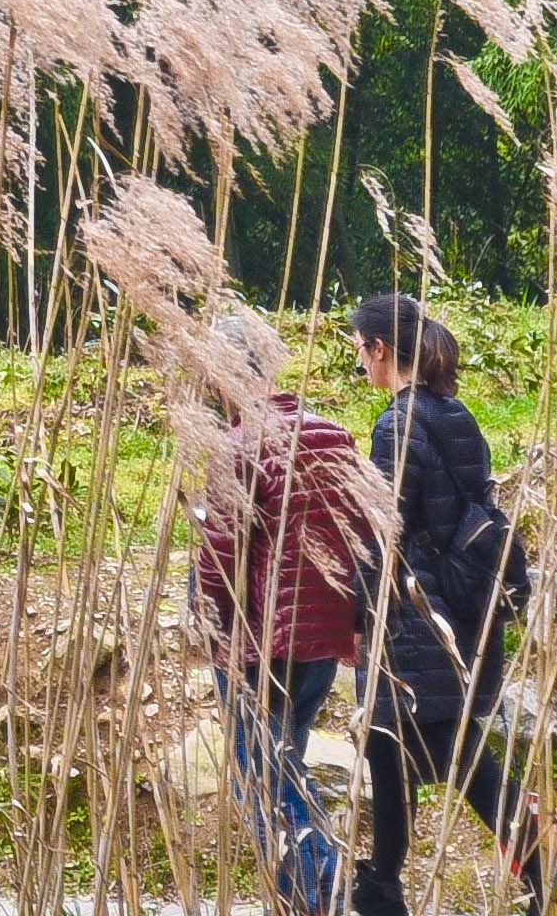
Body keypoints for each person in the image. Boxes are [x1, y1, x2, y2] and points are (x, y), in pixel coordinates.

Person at [352, 291, 557, 915]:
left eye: (361, 351)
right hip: (462, 606)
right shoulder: (455, 412)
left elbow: (385, 532)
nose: (360, 364)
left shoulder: (396, 423)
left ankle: (549, 881)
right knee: (390, 744)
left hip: (418, 616)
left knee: (452, 751)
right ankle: (384, 883)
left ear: (380, 349)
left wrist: (361, 613)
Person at [192, 305, 368, 909]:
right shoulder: (333, 434)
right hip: (322, 643)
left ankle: (326, 889)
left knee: (261, 782)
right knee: (287, 766)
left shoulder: (238, 446)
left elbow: (220, 556)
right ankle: (316, 888)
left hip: (259, 645)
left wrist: (207, 626)